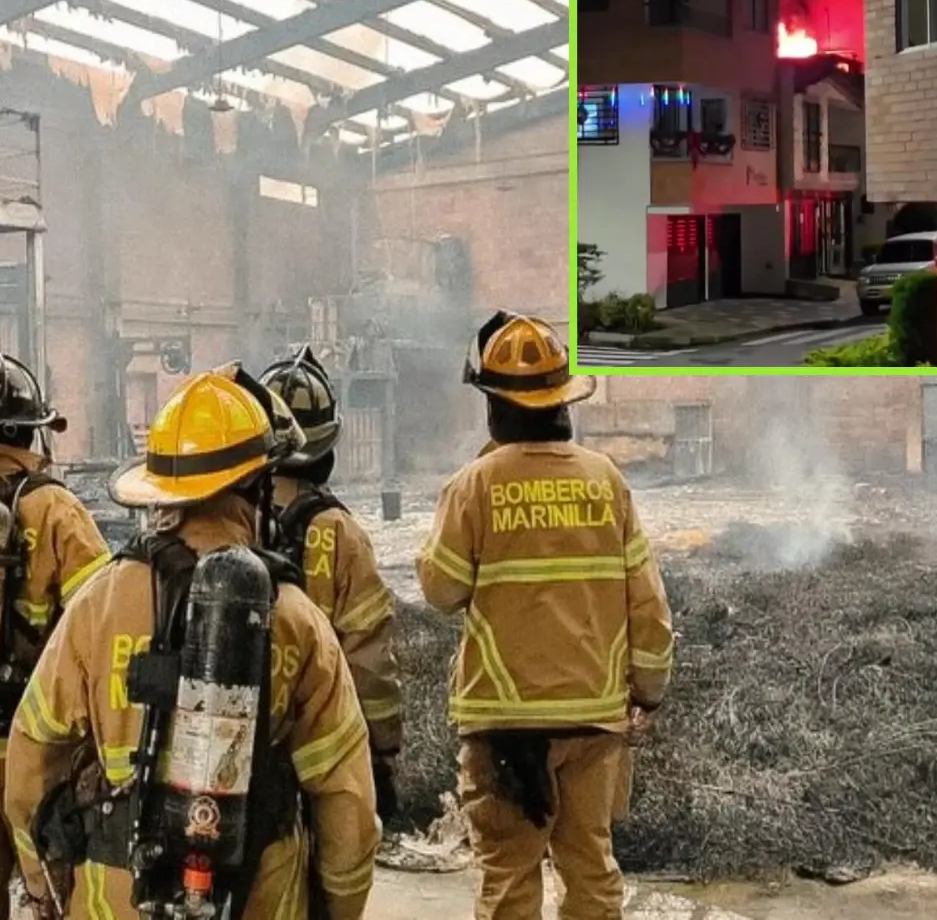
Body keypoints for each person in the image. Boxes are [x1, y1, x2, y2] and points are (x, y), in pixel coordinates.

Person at [4, 364, 380, 920]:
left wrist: (43, 884)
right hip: (259, 900)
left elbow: (32, 755)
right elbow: (348, 801)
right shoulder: (296, 618)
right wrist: (340, 906)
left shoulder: (99, 603)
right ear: (256, 487)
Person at [417, 314, 674, 920]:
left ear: (494, 406)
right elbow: (648, 603)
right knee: (591, 870)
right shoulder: (606, 481)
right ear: (564, 401)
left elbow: (440, 590)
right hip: (591, 718)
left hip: (502, 725)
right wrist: (649, 690)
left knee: (509, 879)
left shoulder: (474, 485)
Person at [259, 345, 402, 822]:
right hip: (323, 751)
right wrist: (382, 750)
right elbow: (367, 656)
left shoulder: (224, 519)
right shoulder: (340, 534)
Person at [0, 355, 111, 920]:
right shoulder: (56, 510)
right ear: (27, 431)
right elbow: (104, 624)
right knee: (55, 895)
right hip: (36, 746)